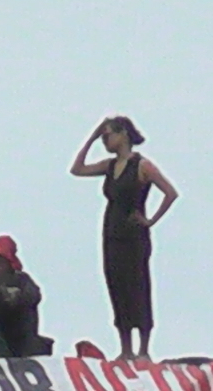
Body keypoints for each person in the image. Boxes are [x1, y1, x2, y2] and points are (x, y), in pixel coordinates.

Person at [71, 114, 178, 361]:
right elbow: (77, 169)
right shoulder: (109, 166)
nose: (106, 140)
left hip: (133, 234)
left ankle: (143, 348)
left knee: (137, 285)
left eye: (109, 135)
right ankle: (125, 347)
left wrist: (151, 220)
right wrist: (93, 135)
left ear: (123, 134)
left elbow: (170, 193)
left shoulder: (142, 165)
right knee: (116, 285)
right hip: (111, 231)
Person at [0, 235, 51, 358]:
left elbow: (34, 296)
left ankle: (26, 348)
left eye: (1, 259)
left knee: (28, 311)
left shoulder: (23, 279)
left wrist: (16, 297)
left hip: (17, 334)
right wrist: (3, 294)